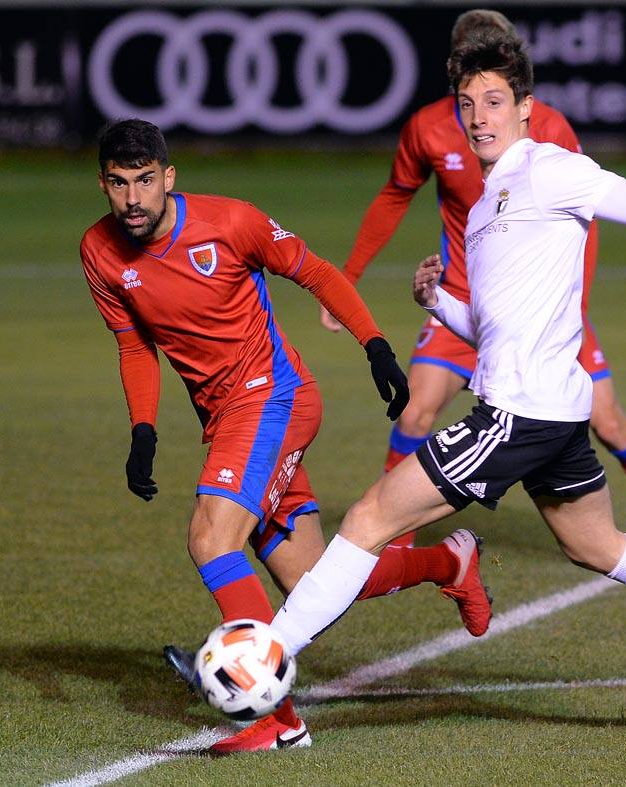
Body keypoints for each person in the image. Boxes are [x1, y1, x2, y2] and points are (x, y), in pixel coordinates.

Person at [269, 30, 626, 724]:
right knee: (596, 545)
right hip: (552, 411)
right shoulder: (484, 206)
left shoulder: (549, 168)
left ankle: (261, 659)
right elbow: (497, 329)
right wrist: (438, 303)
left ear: (524, 109)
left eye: (493, 101)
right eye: (466, 103)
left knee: (366, 518)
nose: (478, 116)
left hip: (518, 415)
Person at [79, 119, 493, 754]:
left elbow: (317, 273)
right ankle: (449, 562)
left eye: (143, 182)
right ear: (101, 184)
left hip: (274, 397)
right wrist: (142, 429)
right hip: (224, 419)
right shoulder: (100, 252)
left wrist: (375, 346)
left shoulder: (230, 222)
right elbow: (134, 344)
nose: (132, 199)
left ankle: (277, 721)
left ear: (168, 178)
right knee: (311, 586)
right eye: (117, 184)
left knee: (212, 537)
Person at [321, 9, 626, 583]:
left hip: (544, 313)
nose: (480, 108)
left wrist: (573, 311)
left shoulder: (549, 128)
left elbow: (586, 214)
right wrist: (348, 277)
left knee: (608, 423)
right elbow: (394, 196)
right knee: (415, 408)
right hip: (462, 302)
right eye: (468, 87)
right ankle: (396, 548)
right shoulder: (430, 129)